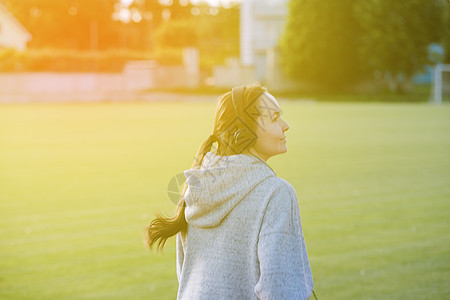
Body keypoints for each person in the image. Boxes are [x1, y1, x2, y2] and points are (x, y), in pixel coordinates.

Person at [145, 84, 315, 299]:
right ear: (243, 133)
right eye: (274, 118)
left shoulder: (196, 186)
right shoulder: (276, 193)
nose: (286, 125)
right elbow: (281, 291)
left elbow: (187, 277)